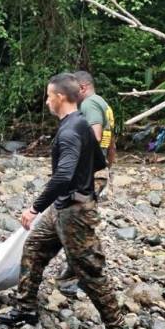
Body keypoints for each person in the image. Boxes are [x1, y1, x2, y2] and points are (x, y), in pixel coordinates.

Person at [0, 73, 129, 329]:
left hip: (75, 212)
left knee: (89, 269)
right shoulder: (80, 122)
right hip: (64, 206)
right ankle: (26, 308)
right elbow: (99, 161)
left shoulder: (70, 130)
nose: (46, 101)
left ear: (59, 97)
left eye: (48, 96)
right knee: (33, 248)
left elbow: (64, 174)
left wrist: (35, 207)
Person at [56, 70, 116, 297]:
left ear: (82, 88)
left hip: (89, 172)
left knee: (78, 223)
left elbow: (95, 136)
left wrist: (74, 167)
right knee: (78, 222)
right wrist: (109, 166)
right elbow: (111, 142)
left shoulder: (90, 104)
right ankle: (75, 271)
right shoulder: (103, 103)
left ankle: (83, 273)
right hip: (99, 169)